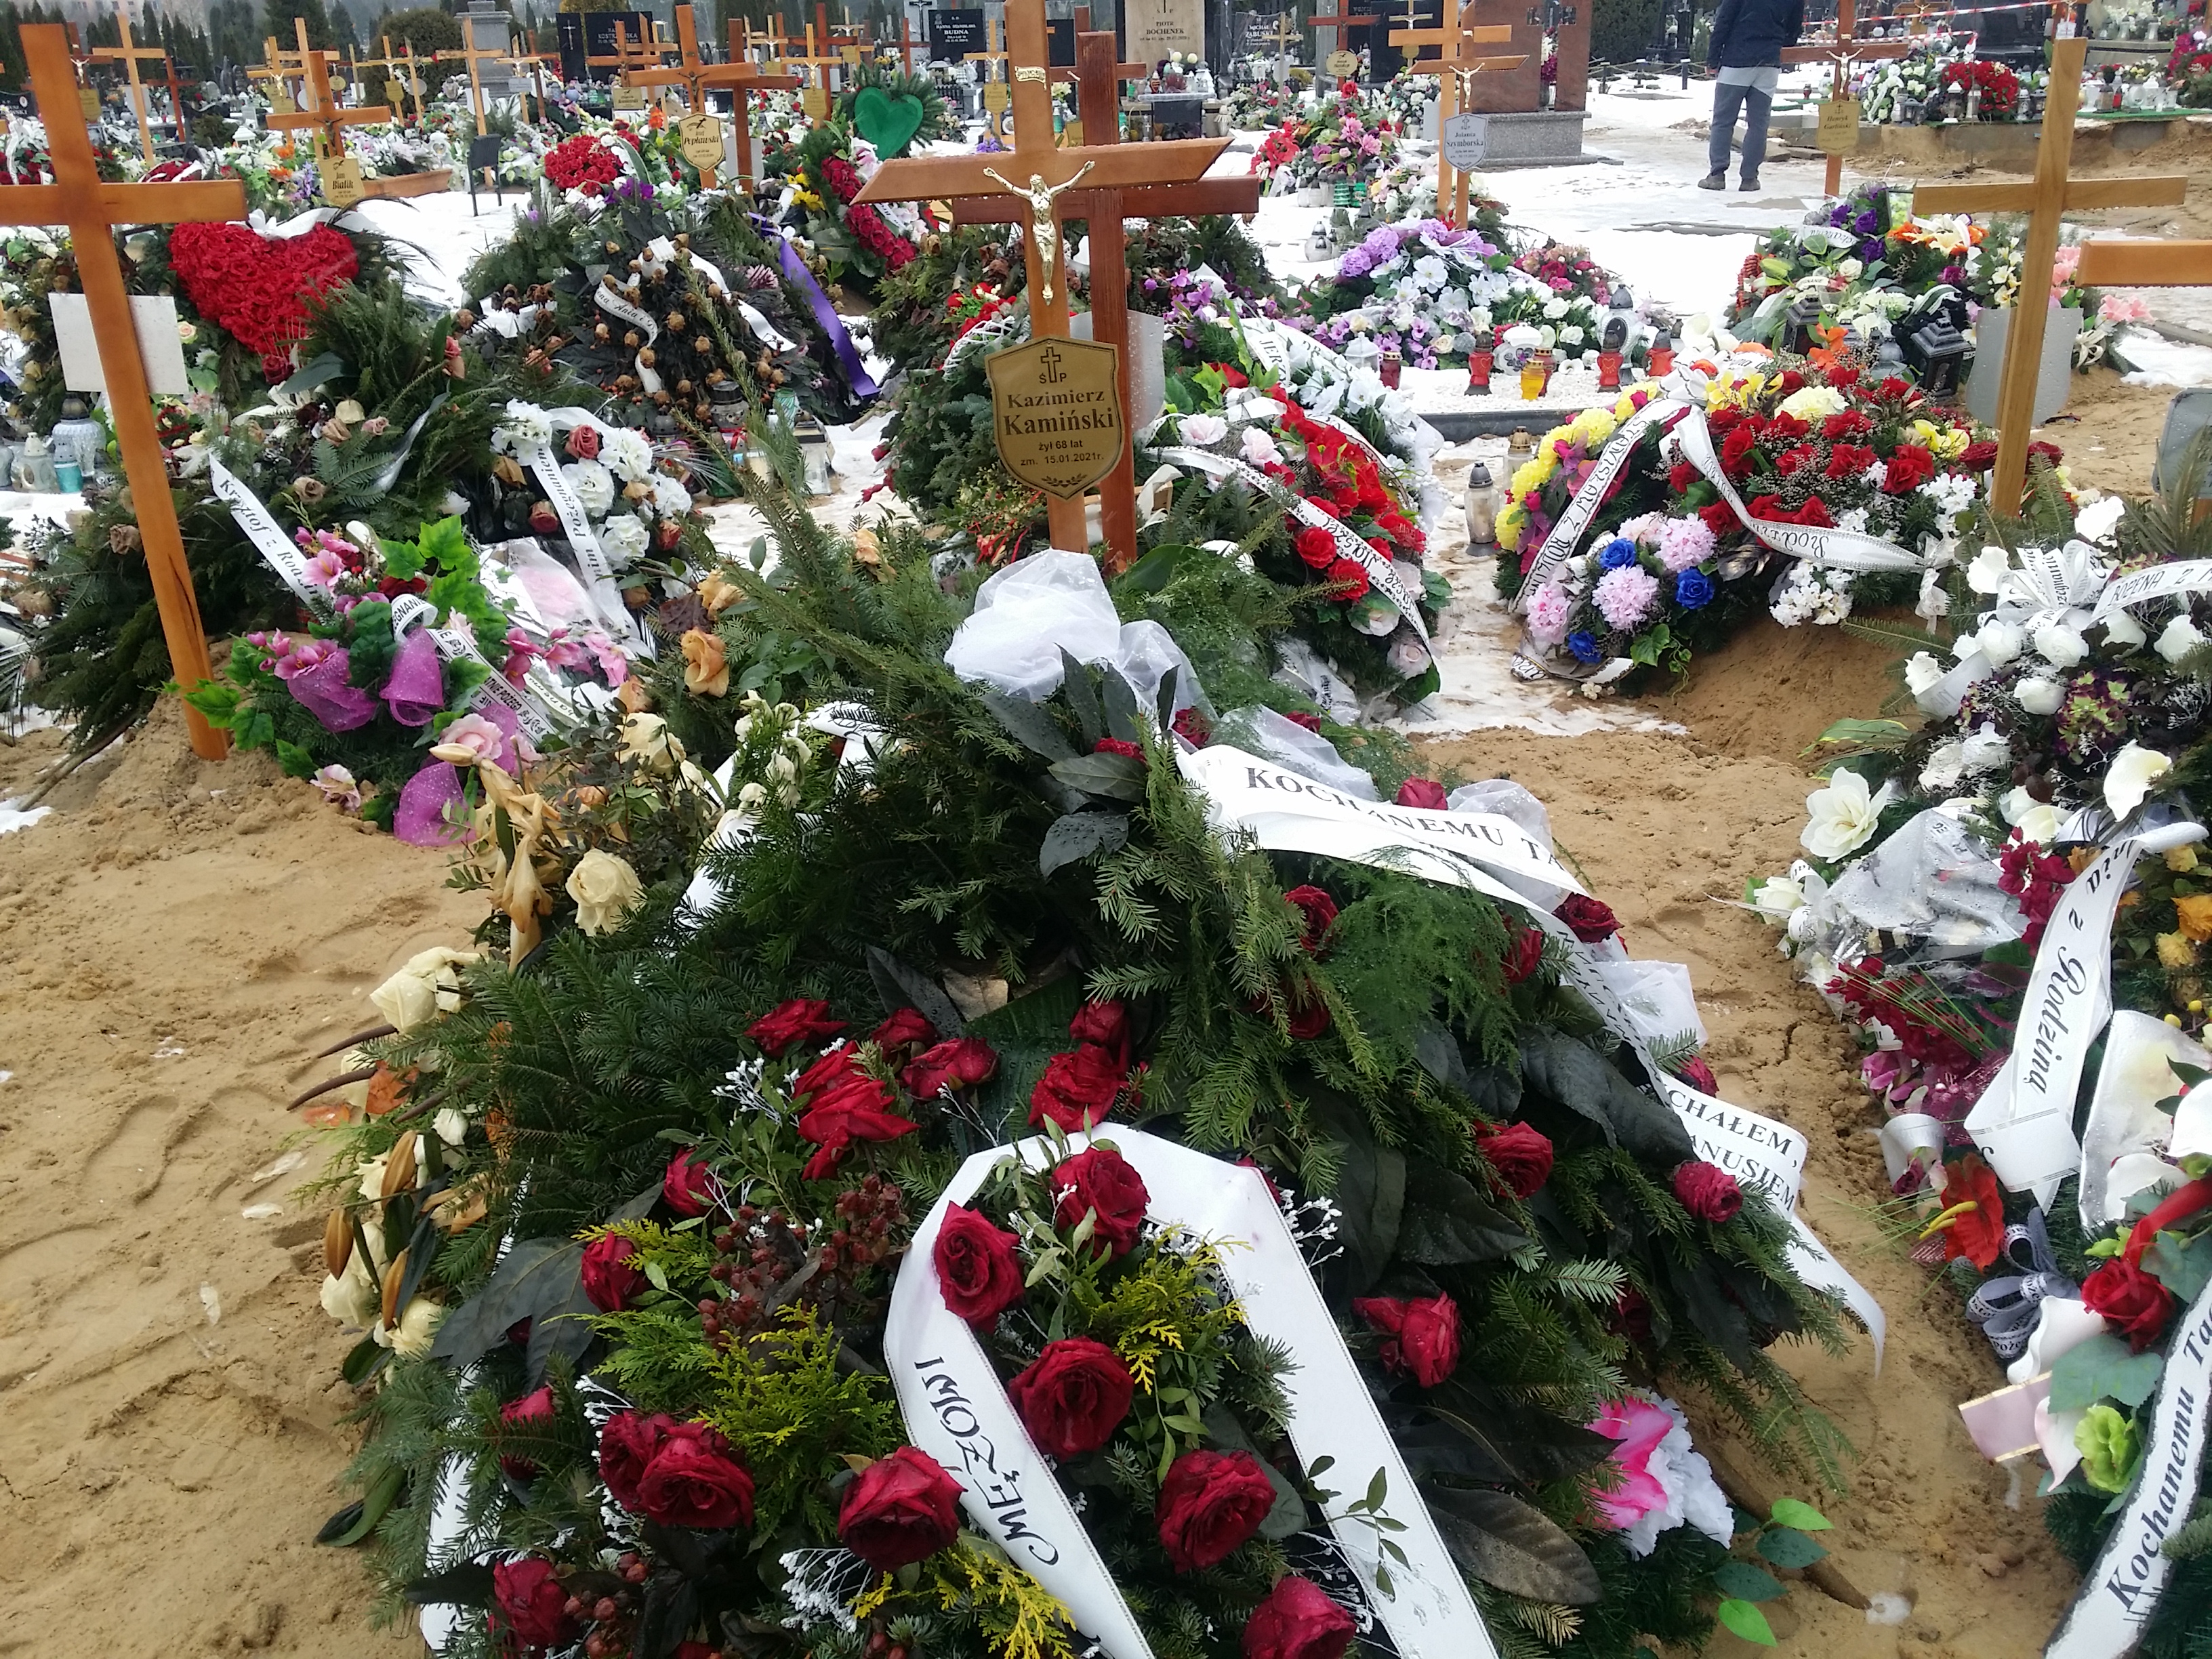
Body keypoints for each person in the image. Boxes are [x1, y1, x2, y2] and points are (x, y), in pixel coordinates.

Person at [1700, 0, 1805, 192]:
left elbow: (1724, 22)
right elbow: (1794, 28)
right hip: (1769, 62)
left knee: (1723, 121)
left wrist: (1713, 59)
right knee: (1758, 124)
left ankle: (1717, 174)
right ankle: (1750, 178)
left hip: (1736, 59)